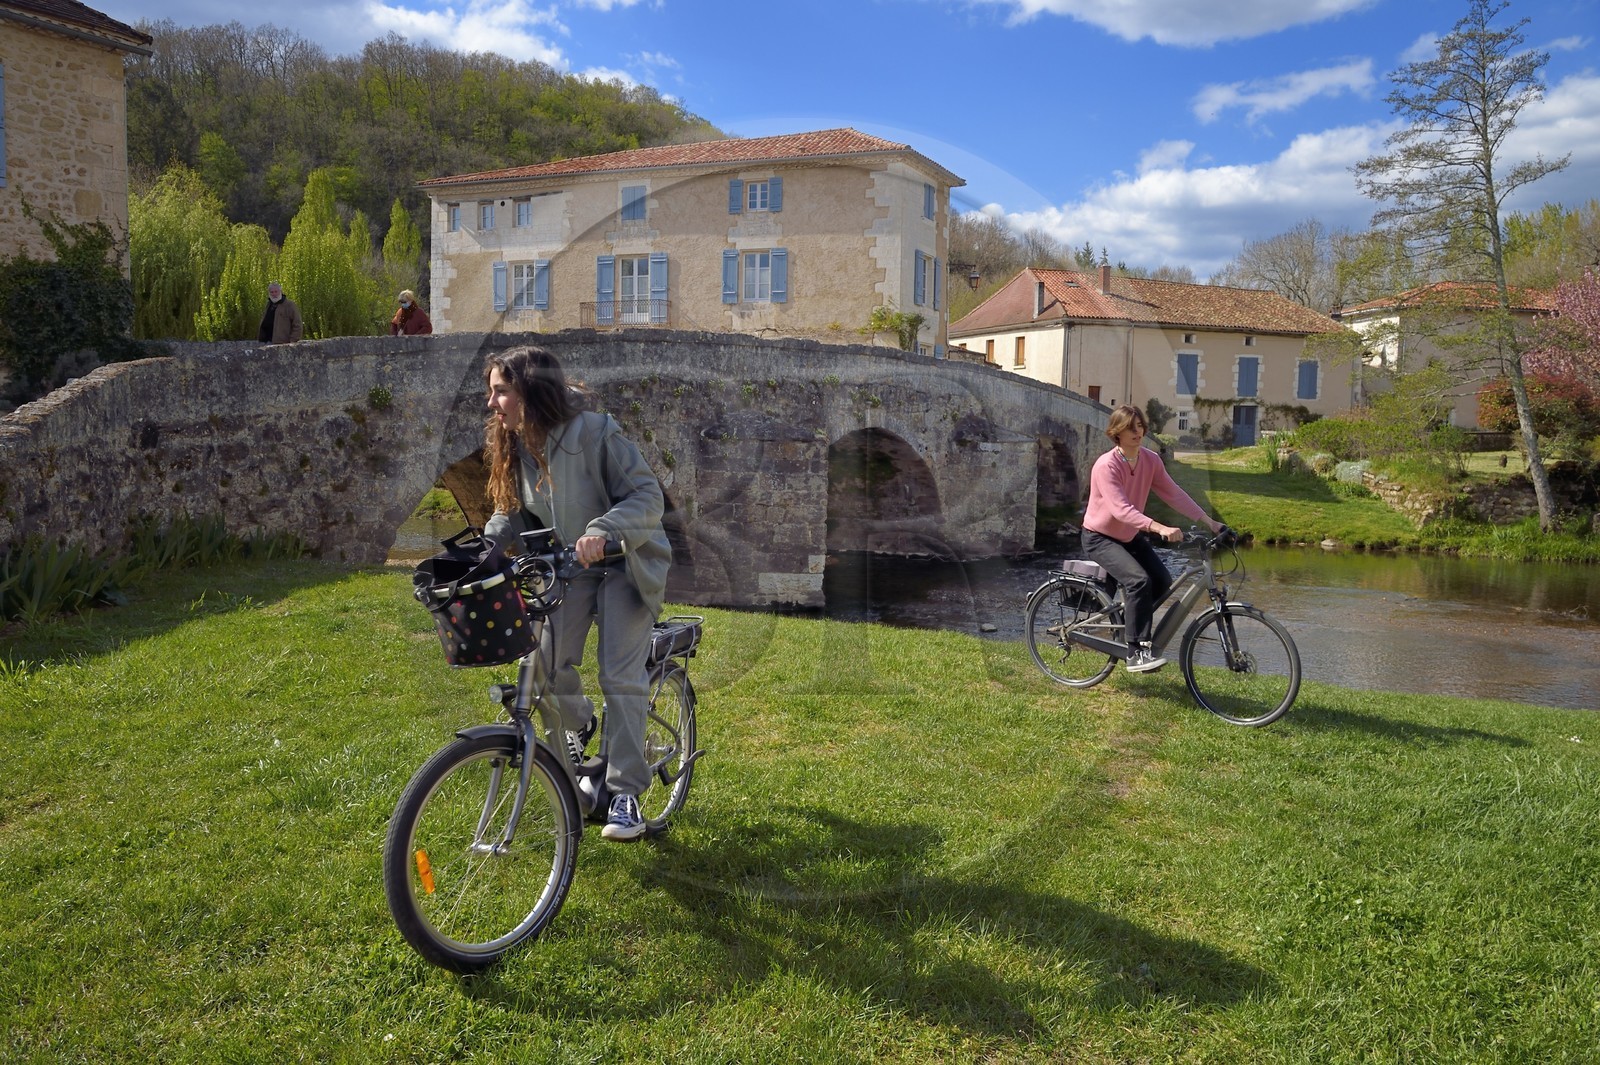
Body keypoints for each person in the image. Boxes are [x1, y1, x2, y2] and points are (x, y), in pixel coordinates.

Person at [481, 345, 672, 842]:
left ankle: (626, 792)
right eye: (492, 392)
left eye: (501, 391)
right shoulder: (520, 445)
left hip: (626, 561)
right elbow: (516, 512)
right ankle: (583, 726)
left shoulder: (594, 432)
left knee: (619, 672)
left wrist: (604, 529)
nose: (492, 403)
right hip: (573, 568)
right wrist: (486, 546)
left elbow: (648, 496)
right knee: (542, 664)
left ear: (528, 390)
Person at [1080, 404, 1224, 673]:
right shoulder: (1106, 465)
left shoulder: (1150, 460)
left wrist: (1210, 522)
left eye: (1140, 426)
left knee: (1162, 581)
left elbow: (1174, 494)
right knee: (1138, 581)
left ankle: (1128, 625)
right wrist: (1158, 527)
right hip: (1099, 537)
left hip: (1128, 535)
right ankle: (1136, 652)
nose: (1137, 432)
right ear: (1116, 433)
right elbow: (1120, 510)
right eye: (1130, 428)